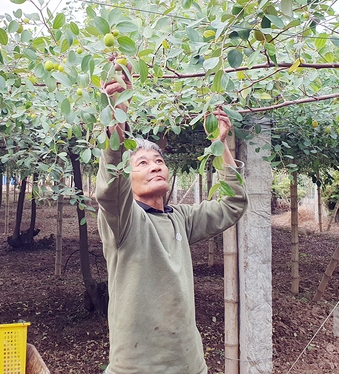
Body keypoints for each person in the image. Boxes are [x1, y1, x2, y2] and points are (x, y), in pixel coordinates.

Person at [96, 61, 248, 374]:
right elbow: (110, 190)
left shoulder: (181, 218)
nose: (154, 166)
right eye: (142, 164)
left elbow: (233, 203)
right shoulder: (123, 223)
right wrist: (117, 122)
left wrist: (219, 142)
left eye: (158, 160)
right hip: (135, 368)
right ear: (128, 177)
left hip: (189, 364)